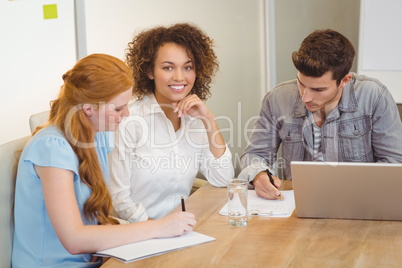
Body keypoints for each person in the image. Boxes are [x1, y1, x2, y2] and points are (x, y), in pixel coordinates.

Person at [12, 54, 196, 268]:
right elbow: (74, 239)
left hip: (91, 260)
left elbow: (92, 217)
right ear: (88, 109)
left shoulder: (98, 135)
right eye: (118, 108)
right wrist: (157, 228)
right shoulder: (52, 148)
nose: (126, 114)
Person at [239, 29, 402, 200]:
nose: (305, 96)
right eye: (301, 83)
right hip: (297, 205)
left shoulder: (374, 96)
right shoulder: (277, 98)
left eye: (318, 89)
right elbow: (254, 154)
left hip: (359, 202)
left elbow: (395, 163)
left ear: (344, 81)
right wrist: (258, 175)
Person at [109, 23, 234, 222]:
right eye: (168, 67)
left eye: (187, 67)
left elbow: (224, 179)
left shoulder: (196, 120)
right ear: (150, 71)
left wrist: (208, 120)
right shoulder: (129, 121)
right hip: (136, 235)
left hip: (179, 231)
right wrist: (158, 230)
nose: (179, 77)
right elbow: (119, 200)